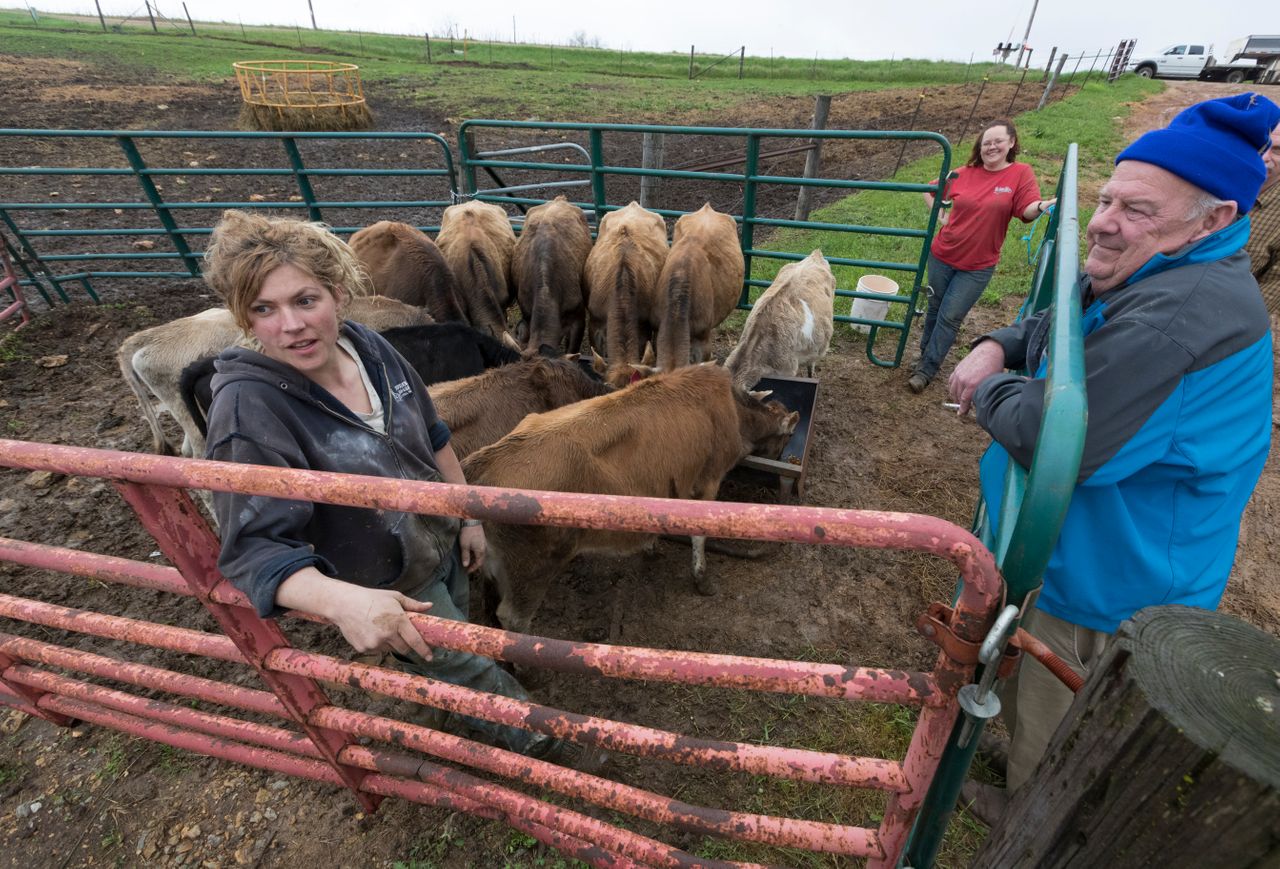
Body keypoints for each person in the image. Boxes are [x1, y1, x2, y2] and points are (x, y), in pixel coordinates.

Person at [949, 91, 1280, 823]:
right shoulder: (1155, 268)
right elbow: (1061, 317)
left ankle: (1029, 814)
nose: (1102, 221)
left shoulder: (1180, 318)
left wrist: (994, 383)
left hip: (1114, 569)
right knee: (1038, 683)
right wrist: (999, 341)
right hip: (1088, 540)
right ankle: (1024, 761)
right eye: (1106, 197)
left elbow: (1053, 435)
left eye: (1136, 209)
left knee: (1059, 703)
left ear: (1215, 218)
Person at [200, 210, 575, 763]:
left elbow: (433, 434)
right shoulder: (247, 411)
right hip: (384, 578)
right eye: (264, 309)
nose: (292, 325)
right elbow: (254, 552)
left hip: (442, 538)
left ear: (338, 292)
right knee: (466, 662)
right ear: (244, 318)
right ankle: (543, 741)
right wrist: (344, 601)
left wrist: (467, 516)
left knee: (453, 641)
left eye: (306, 300)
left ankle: (430, 706)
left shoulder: (370, 348)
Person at [909, 119, 1054, 393]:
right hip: (942, 254)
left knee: (950, 316)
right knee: (935, 308)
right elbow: (930, 190)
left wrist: (1042, 206)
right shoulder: (964, 173)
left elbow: (1026, 209)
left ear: (1011, 143)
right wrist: (941, 215)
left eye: (998, 141)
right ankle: (924, 354)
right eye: (987, 142)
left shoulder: (1020, 174)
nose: (992, 147)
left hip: (977, 265)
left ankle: (927, 368)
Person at [1244, 120, 1280, 313]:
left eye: (1277, 150)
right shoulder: (1202, 183)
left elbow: (1273, 287)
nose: (1265, 157)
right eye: (1258, 145)